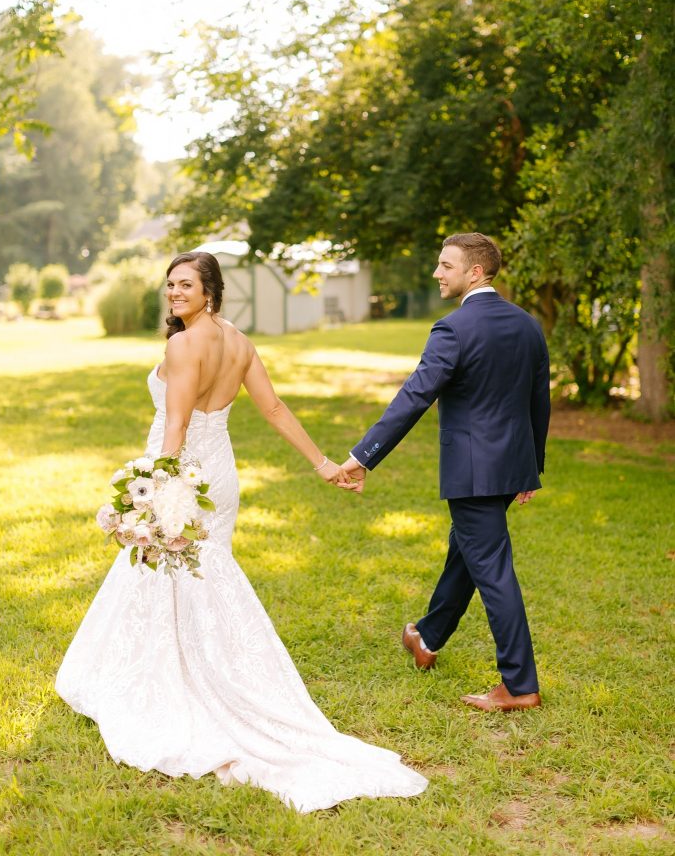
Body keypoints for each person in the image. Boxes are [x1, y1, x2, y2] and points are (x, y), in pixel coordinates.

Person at [56, 251, 427, 812]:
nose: (174, 292)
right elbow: (273, 408)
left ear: (210, 290)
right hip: (221, 477)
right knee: (196, 573)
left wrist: (160, 494)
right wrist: (323, 463)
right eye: (170, 284)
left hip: (184, 475)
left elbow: (177, 424)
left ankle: (181, 686)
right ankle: (201, 669)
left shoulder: (184, 345)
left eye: (186, 284)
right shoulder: (240, 342)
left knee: (169, 570)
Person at [339, 233, 550, 712]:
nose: (437, 273)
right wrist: (530, 467)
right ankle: (427, 638)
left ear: (475, 272)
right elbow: (540, 400)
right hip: (508, 467)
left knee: (493, 571)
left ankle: (519, 685)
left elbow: (414, 396)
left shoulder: (452, 330)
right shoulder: (527, 326)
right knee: (469, 553)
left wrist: (363, 455)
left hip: (473, 474)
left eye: (445, 265)